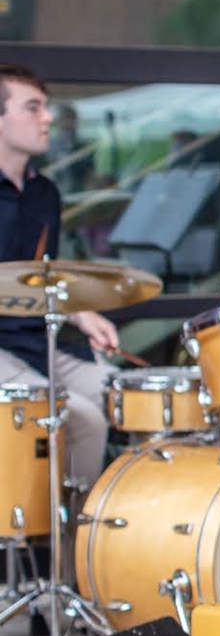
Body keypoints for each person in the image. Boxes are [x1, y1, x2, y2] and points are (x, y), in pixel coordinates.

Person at [0, 63, 120, 491]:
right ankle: (65, 548)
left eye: (46, 108)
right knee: (83, 420)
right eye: (33, 108)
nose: (47, 118)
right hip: (2, 348)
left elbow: (40, 275)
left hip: (40, 342)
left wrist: (79, 312)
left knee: (126, 394)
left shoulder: (44, 193)